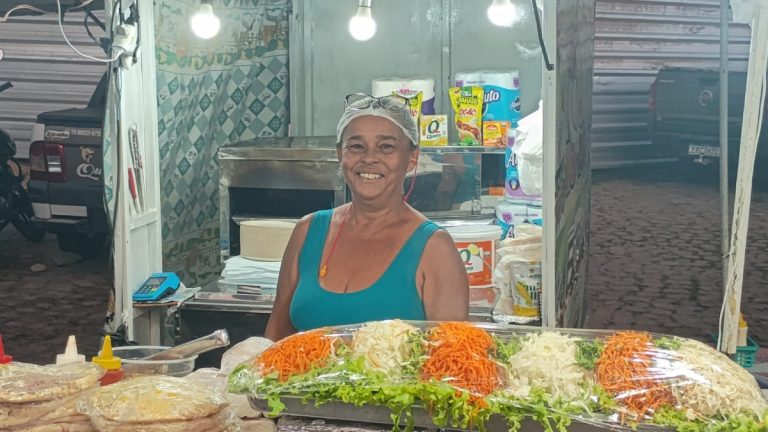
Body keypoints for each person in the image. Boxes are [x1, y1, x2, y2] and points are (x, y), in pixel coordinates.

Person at [265, 93, 469, 341]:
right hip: (300, 381)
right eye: (356, 146)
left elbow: (452, 361)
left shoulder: (434, 248)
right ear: (341, 155)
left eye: (386, 147)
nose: (370, 158)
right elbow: (275, 337)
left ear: (412, 158)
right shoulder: (308, 230)